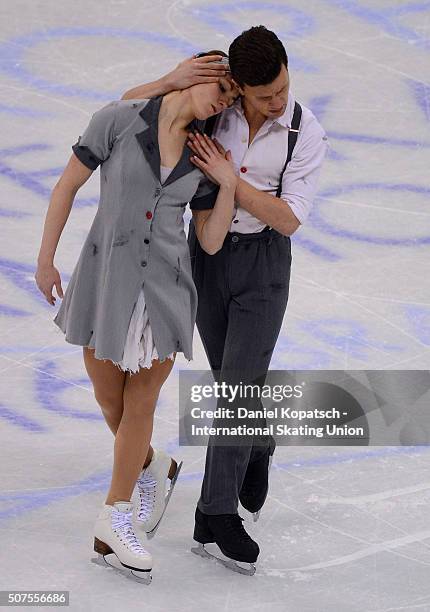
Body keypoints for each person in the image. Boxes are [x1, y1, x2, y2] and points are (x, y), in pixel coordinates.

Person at [122, 26, 329, 575]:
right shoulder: (218, 108)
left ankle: (214, 516)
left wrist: (230, 181)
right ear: (239, 85)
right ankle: (257, 443)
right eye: (265, 96)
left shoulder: (305, 133)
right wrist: (171, 80)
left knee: (236, 386)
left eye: (282, 88)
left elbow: (287, 219)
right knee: (230, 382)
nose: (277, 102)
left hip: (265, 266)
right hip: (207, 256)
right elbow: (131, 112)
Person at [35, 50, 239, 583]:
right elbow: (66, 186)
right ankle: (152, 464)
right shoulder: (120, 120)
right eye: (224, 86)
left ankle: (114, 517)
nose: (226, 99)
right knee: (110, 398)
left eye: (234, 97)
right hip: (106, 280)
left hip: (166, 290)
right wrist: (45, 259)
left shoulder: (205, 155)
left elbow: (211, 242)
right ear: (197, 72)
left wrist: (230, 185)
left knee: (141, 399)